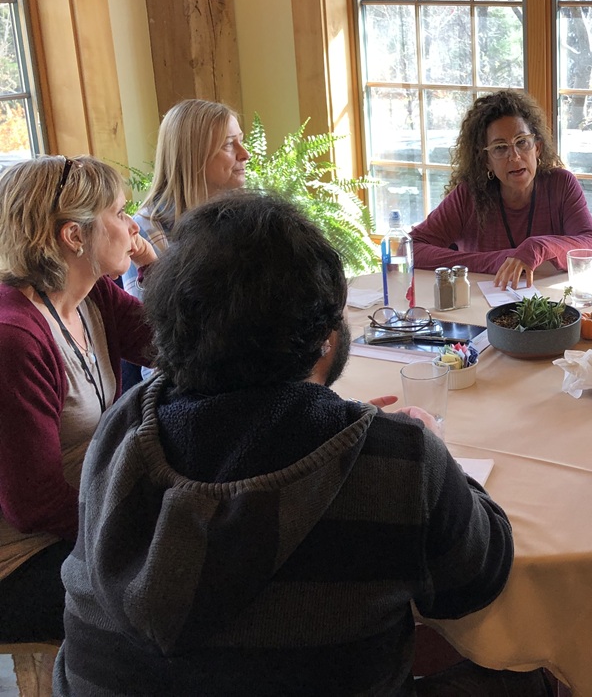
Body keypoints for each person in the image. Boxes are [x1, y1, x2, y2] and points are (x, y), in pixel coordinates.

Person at [55, 191, 532, 696]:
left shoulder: (122, 427)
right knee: (527, 679)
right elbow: (475, 580)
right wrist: (431, 455)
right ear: (326, 342)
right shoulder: (401, 461)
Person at [0, 155, 154, 642]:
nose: (132, 226)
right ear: (74, 236)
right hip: (21, 560)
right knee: (179, 594)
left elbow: (179, 344)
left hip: (80, 522)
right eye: (118, 212)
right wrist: (145, 524)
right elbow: (34, 506)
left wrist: (154, 269)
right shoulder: (14, 337)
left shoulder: (90, 295)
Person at [411, 90, 592, 289]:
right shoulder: (469, 195)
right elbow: (411, 249)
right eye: (500, 147)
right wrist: (494, 261)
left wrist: (539, 247)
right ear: (486, 160)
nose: (514, 156)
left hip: (550, 306)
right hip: (481, 308)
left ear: (537, 148)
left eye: (522, 142)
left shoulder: (561, 184)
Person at [121, 98, 248, 301]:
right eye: (228, 144)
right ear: (192, 156)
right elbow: (149, 325)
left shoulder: (249, 220)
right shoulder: (144, 232)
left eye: (241, 140)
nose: (245, 154)